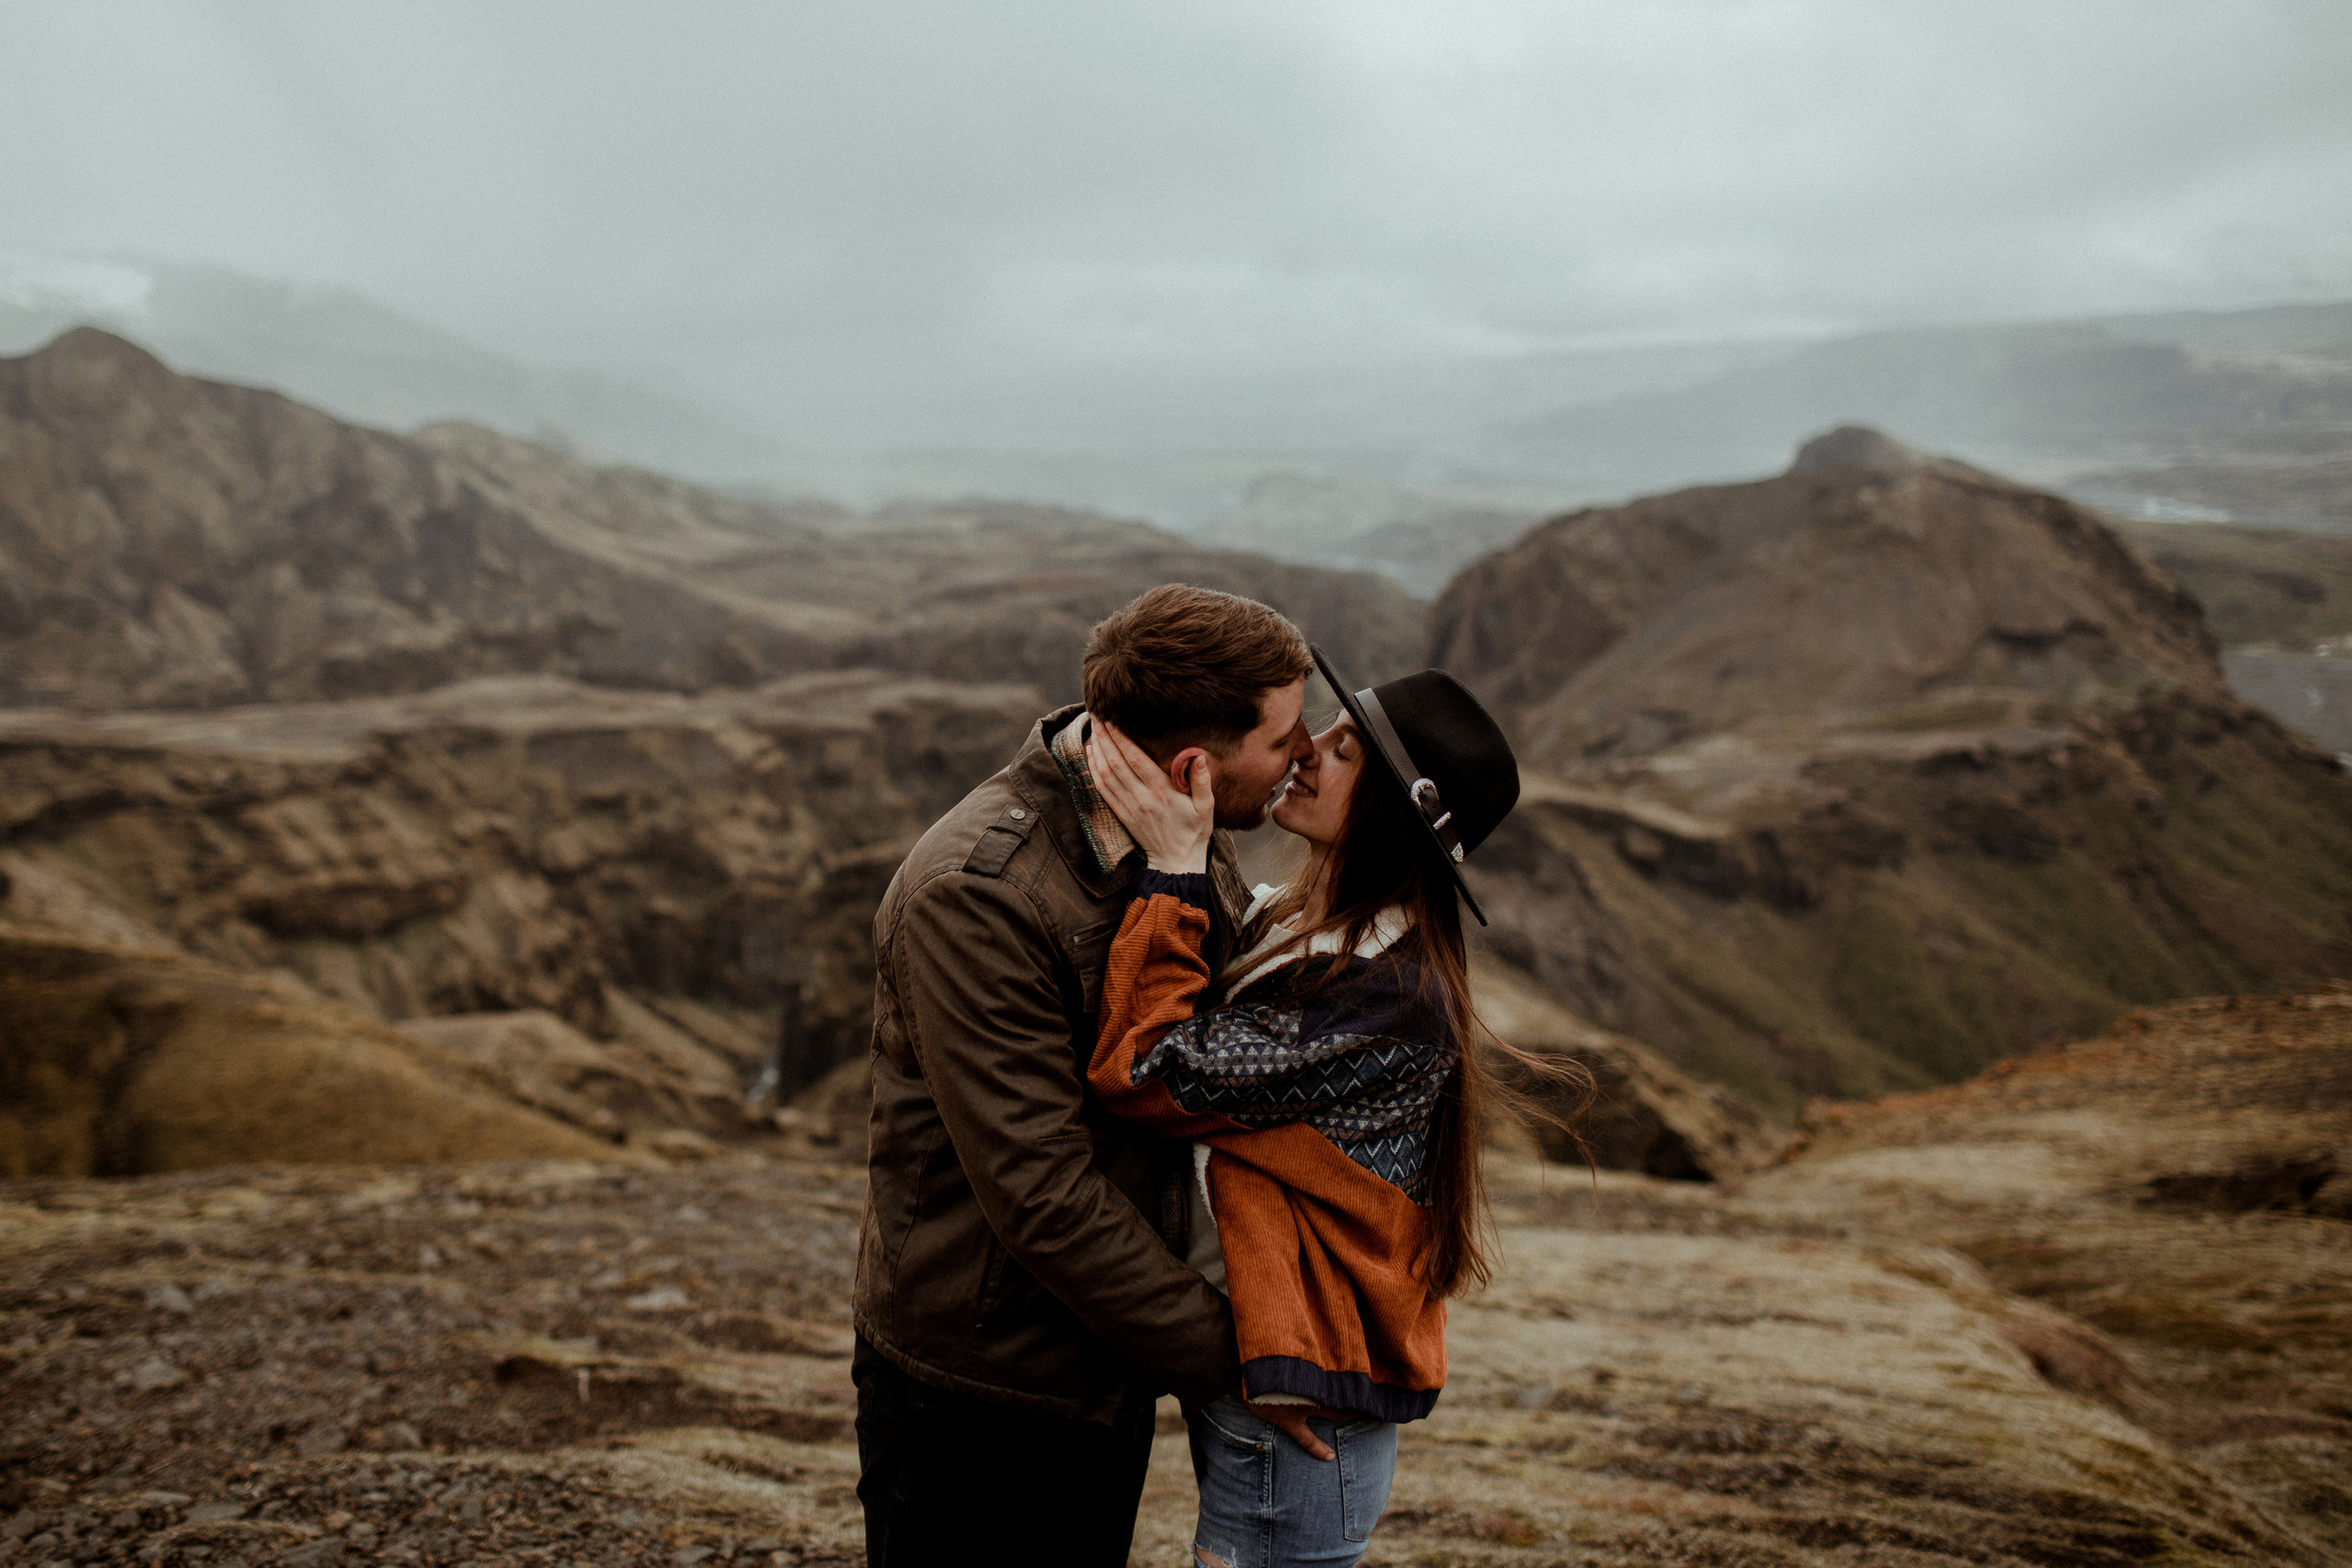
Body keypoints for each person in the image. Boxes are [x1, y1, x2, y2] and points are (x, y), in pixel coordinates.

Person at [1082, 644, 1584, 1568]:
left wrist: (1174, 866)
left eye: (1345, 749)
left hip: (1311, 1398)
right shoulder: (1301, 925)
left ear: (1401, 812)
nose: (1305, 750)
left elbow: (1147, 1070)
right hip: (1279, 1361)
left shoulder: (1382, 997)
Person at [852, 584, 1321, 1566]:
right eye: (1284, 740)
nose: (1306, 757)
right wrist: (1237, 1359)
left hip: (1104, 1352)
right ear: (1197, 762)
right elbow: (1041, 1191)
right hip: (985, 1385)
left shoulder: (1182, 833)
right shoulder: (974, 897)